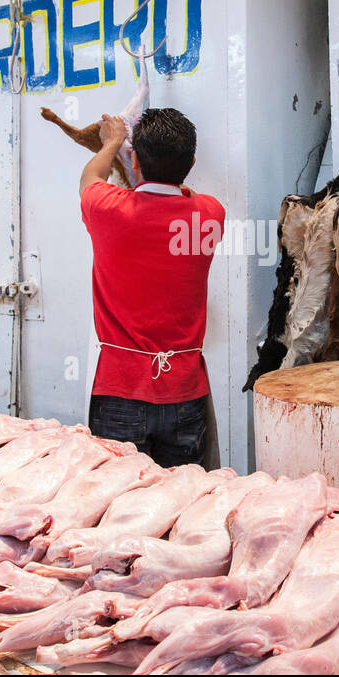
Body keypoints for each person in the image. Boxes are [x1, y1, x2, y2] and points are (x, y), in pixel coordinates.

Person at [79, 107, 225, 468]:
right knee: (181, 506)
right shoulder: (209, 214)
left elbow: (91, 175)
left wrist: (112, 140)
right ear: (191, 162)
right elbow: (188, 197)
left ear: (134, 159)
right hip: (185, 396)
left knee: (118, 505)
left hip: (118, 394)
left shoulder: (106, 209)